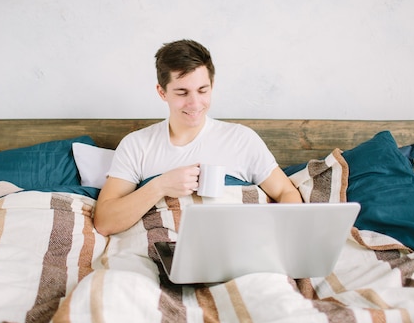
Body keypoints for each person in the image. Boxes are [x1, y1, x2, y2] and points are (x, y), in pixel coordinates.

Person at [94, 39, 302, 236]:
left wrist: (278, 237)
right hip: (161, 251)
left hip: (236, 246)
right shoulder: (137, 145)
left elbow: (286, 192)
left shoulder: (241, 139)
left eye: (203, 90)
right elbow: (104, 222)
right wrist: (160, 186)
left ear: (212, 85)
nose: (194, 103)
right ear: (162, 92)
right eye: (182, 93)